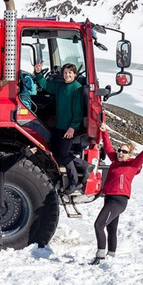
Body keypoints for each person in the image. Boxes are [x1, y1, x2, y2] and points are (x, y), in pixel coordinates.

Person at [91, 123, 143, 264]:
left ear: (129, 154)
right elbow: (109, 147)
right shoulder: (114, 161)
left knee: (99, 225)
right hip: (109, 199)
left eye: (124, 151)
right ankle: (111, 256)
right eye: (120, 150)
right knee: (111, 228)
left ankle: (100, 256)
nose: (120, 153)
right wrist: (104, 132)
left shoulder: (133, 164)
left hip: (119, 200)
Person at [33, 60, 90, 194]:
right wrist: (38, 73)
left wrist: (72, 127)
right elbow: (45, 84)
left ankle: (74, 182)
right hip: (59, 126)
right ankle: (85, 165)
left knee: (64, 154)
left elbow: (78, 110)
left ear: (75, 74)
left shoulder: (76, 88)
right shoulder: (60, 86)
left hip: (69, 128)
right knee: (55, 151)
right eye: (65, 73)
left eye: (70, 73)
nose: (67, 75)